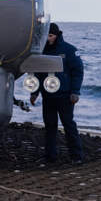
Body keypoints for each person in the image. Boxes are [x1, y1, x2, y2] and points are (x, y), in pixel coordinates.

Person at [30, 23, 85, 164]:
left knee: (68, 125)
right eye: (46, 36)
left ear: (57, 35)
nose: (48, 39)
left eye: (51, 36)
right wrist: (34, 93)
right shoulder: (41, 51)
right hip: (47, 96)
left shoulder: (69, 50)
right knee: (49, 126)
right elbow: (37, 73)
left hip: (65, 96)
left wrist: (75, 92)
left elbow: (78, 72)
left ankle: (77, 155)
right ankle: (51, 156)